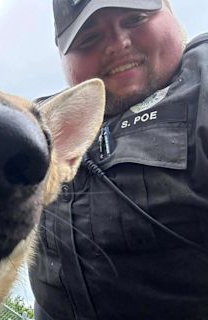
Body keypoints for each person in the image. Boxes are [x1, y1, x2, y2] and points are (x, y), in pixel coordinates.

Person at [29, 0, 208, 319]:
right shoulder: (37, 121)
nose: (118, 44)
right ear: (63, 58)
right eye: (88, 39)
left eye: (135, 18)